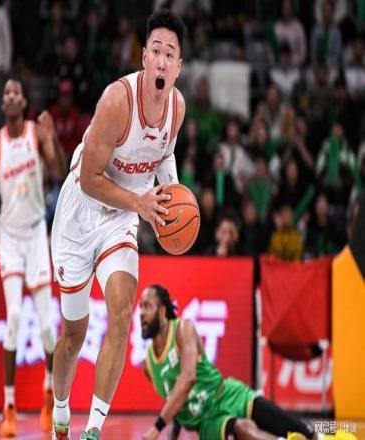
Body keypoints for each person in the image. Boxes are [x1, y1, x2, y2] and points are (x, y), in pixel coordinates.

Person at [50, 10, 187, 440]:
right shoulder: (116, 101)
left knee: (124, 312)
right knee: (74, 336)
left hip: (123, 219)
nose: (162, 60)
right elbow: (90, 179)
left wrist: (171, 199)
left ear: (178, 66)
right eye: (156, 51)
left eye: (170, 54)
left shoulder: (177, 108)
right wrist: (141, 202)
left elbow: (164, 154)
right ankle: (60, 412)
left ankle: (93, 430)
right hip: (80, 211)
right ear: (144, 57)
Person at [0, 79, 65, 437]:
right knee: (15, 317)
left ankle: (49, 390)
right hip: (9, 237)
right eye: (5, 93)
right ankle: (9, 406)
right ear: (2, 103)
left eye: (14, 92)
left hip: (36, 235)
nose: (8, 96)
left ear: (23, 101)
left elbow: (61, 171)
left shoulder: (38, 133)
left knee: (48, 325)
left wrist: (55, 141)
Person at [139, 284, 319, 440]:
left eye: (147, 306)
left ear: (162, 311)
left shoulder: (182, 328)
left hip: (226, 394)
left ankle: (323, 431)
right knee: (242, 428)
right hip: (207, 422)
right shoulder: (149, 366)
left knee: (303, 431)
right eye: (140, 307)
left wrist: (156, 428)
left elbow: (188, 379)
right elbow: (174, 403)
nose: (141, 313)